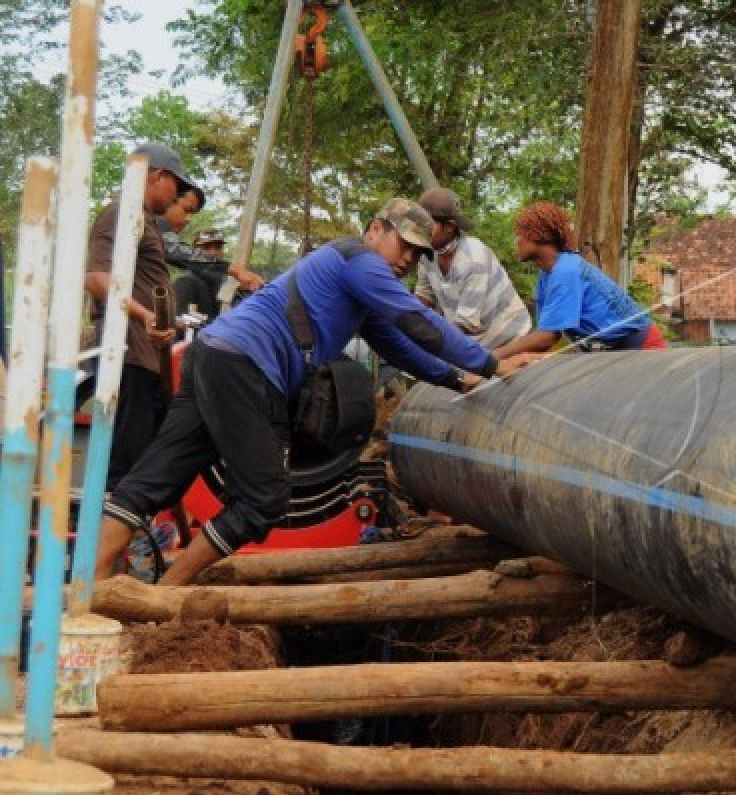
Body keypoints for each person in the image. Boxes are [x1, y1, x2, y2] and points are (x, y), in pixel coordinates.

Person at [94, 198, 535, 586]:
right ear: (376, 230)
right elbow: (416, 322)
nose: (408, 262)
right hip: (246, 364)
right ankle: (167, 594)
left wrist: (459, 379)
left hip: (212, 354)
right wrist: (492, 363)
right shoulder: (357, 258)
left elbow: (399, 346)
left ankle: (88, 593)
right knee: (263, 500)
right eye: (404, 246)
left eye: (419, 254)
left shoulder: (358, 283)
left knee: (158, 475)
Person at [84, 142, 201, 492]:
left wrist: (169, 320)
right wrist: (146, 316)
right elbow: (96, 279)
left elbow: (142, 284)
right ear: (158, 176)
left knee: (145, 456)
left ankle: (128, 535)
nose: (177, 196)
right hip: (129, 352)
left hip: (147, 355)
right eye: (177, 187)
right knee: (126, 459)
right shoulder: (121, 213)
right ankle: (108, 541)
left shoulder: (145, 223)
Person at [493, 202, 666, 359]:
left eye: (520, 236)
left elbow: (547, 337)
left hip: (642, 348)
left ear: (539, 236)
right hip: (608, 353)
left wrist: (492, 358)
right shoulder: (546, 275)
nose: (517, 242)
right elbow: (543, 336)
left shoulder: (566, 270)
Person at [413, 188, 531, 348]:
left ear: (449, 227)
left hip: (510, 341)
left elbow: (464, 324)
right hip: (474, 342)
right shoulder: (427, 254)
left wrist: (425, 342)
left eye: (428, 224)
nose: (422, 229)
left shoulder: (474, 258)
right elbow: (423, 297)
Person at [155, 189, 264, 318]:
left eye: (218, 247)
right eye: (206, 248)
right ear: (194, 251)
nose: (213, 253)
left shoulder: (228, 288)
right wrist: (235, 270)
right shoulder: (185, 284)